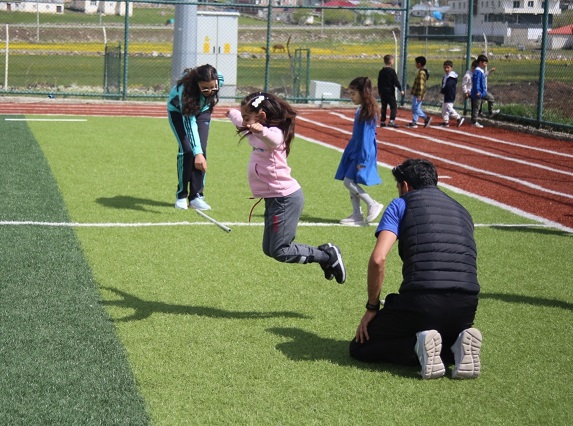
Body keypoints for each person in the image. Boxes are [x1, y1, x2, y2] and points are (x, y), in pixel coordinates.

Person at [349, 158, 482, 380]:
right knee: (438, 328)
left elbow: (378, 259)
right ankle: (457, 344)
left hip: (423, 299)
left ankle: (419, 348)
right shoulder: (462, 210)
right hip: (467, 305)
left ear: (405, 186)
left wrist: (372, 307)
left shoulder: (401, 204)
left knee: (360, 347)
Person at [226, 92, 346, 284]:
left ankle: (327, 256)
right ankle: (326, 256)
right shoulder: (253, 128)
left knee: (280, 250)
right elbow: (239, 119)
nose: (245, 122)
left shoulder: (273, 133)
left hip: (284, 198)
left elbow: (274, 139)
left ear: (262, 116)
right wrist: (231, 112)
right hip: (273, 199)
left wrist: (260, 130)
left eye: (248, 118)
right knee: (269, 249)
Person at [167, 64, 223, 210]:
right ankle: (181, 195)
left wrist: (200, 153)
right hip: (180, 114)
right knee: (188, 150)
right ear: (196, 85)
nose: (210, 91)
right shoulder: (187, 93)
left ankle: (196, 196)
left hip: (203, 112)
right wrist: (196, 153)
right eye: (205, 88)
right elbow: (190, 125)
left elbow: (214, 85)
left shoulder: (218, 79)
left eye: (213, 87)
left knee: (201, 150)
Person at [335, 77, 384, 226]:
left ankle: (372, 203)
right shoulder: (361, 109)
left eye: (353, 93)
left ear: (363, 93)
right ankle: (357, 214)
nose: (351, 97)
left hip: (361, 152)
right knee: (350, 180)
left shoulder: (369, 112)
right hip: (354, 150)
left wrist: (363, 159)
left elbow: (367, 138)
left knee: (348, 182)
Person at [377, 55, 405, 128]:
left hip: (383, 92)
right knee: (393, 106)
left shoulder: (381, 71)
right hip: (390, 92)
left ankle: (382, 121)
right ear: (391, 62)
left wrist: (379, 91)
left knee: (384, 106)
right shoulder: (392, 71)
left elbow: (379, 82)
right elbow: (395, 81)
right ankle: (391, 120)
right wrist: (400, 89)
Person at [471, 55, 498, 128]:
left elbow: (484, 76)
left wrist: (490, 71)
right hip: (478, 92)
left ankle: (491, 112)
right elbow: (476, 82)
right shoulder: (477, 71)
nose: (486, 64)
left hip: (483, 92)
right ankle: (474, 122)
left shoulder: (481, 71)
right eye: (485, 63)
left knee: (491, 98)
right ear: (480, 62)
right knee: (476, 107)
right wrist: (477, 91)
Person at [407, 56, 432, 129]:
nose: (415, 65)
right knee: (416, 107)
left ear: (419, 64)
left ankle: (426, 118)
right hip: (417, 93)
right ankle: (414, 121)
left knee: (415, 108)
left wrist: (420, 95)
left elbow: (421, 85)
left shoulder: (421, 73)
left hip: (418, 93)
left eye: (416, 63)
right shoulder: (421, 71)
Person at [439, 60, 464, 128]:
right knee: (444, 109)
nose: (446, 69)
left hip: (450, 94)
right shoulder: (446, 76)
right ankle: (446, 122)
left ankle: (459, 118)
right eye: (445, 68)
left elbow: (449, 85)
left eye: (448, 67)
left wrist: (444, 90)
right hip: (446, 93)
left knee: (449, 108)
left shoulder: (452, 76)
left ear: (451, 68)